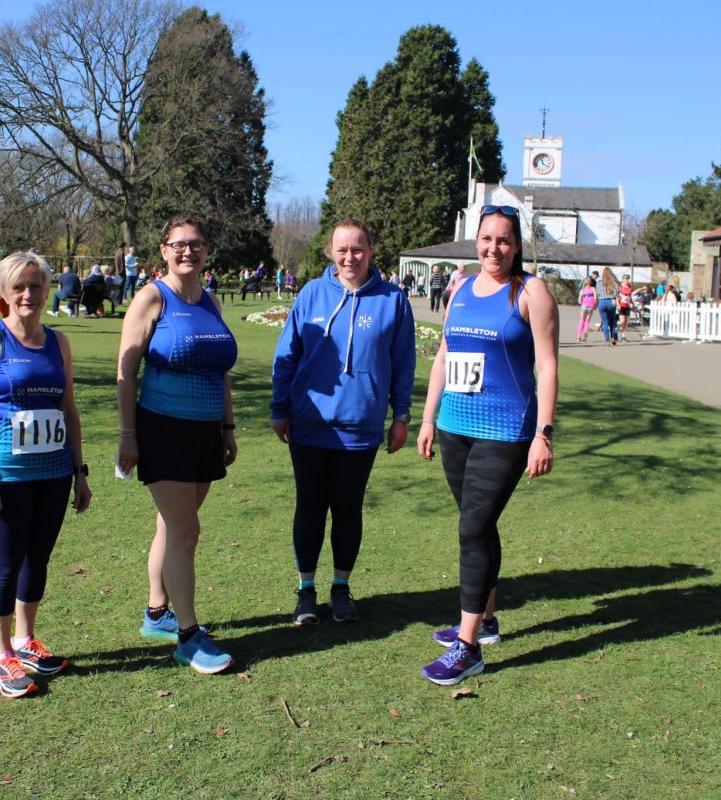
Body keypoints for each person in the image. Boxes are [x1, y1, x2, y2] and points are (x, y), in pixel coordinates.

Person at [416, 204, 559, 686]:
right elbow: (443, 356)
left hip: (507, 431)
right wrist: (429, 417)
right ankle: (488, 618)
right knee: (478, 526)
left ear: (516, 245)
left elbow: (548, 367)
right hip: (457, 426)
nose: (493, 248)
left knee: (472, 528)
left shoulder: (529, 291)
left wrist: (544, 433)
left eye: (503, 240)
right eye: (486, 239)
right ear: (475, 242)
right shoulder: (459, 288)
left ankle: (468, 645)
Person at [269, 219, 415, 625]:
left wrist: (400, 416)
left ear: (371, 251)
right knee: (310, 507)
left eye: (358, 249)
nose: (350, 257)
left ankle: (341, 588)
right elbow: (286, 355)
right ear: (330, 253)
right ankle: (305, 591)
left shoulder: (393, 300)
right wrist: (279, 408)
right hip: (309, 424)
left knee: (348, 509)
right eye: (342, 250)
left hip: (360, 427)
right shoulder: (312, 294)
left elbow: (403, 364)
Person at [0, 251, 92, 698]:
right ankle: (2, 657)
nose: (28, 295)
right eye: (18, 286)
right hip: (6, 473)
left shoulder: (58, 341)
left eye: (36, 286)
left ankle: (25, 640)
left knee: (38, 559)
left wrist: (80, 471)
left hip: (53, 472)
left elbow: (69, 408)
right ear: (2, 292)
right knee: (7, 561)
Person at [116, 213, 239, 674]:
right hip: (163, 429)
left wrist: (227, 428)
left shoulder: (212, 303)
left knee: (172, 526)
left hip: (206, 433)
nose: (188, 251)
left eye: (197, 244)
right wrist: (128, 436)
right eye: (178, 244)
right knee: (186, 531)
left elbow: (221, 372)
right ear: (164, 250)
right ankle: (188, 636)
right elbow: (126, 373)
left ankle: (157, 613)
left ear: (207, 250)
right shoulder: (152, 299)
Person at [597, 268, 620, 346]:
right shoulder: (613, 282)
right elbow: (617, 291)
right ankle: (613, 338)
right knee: (612, 321)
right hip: (610, 301)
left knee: (605, 321)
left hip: (602, 301)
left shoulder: (599, 282)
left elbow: (597, 293)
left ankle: (607, 340)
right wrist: (614, 298)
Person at [576, 275, 597, 342]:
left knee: (582, 321)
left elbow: (579, 300)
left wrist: (582, 303)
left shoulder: (582, 290)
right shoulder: (593, 289)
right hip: (591, 306)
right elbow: (595, 298)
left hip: (584, 306)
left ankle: (579, 336)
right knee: (587, 321)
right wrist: (595, 305)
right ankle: (585, 334)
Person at [617, 274, 634, 342]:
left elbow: (630, 297)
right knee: (622, 321)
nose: (627, 280)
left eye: (628, 278)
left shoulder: (630, 287)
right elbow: (617, 296)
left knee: (626, 322)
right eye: (625, 278)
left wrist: (632, 303)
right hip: (621, 305)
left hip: (627, 306)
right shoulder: (620, 287)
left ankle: (623, 336)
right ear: (622, 279)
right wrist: (618, 304)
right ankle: (616, 328)